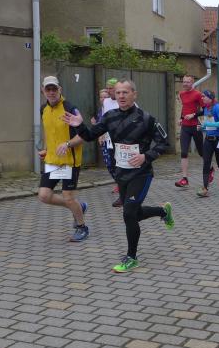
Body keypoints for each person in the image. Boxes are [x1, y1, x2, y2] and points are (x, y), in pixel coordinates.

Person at [62, 78, 174, 273]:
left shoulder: (147, 118)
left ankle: (131, 257)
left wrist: (146, 156)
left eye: (125, 92)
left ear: (134, 95)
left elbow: (164, 143)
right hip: (120, 173)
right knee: (134, 213)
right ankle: (163, 212)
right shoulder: (110, 116)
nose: (121, 96)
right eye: (118, 92)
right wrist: (79, 125)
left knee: (129, 213)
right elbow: (89, 135)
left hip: (141, 173)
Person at [37, 76, 88, 242]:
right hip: (52, 161)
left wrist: (67, 144)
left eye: (54, 89)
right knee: (44, 196)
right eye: (48, 89)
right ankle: (79, 207)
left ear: (60, 89)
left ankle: (82, 227)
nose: (51, 92)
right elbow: (50, 133)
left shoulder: (70, 108)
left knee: (68, 197)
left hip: (69, 162)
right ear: (43, 91)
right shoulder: (43, 109)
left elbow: (84, 135)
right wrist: (47, 149)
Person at [176, 75, 210, 189]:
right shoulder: (181, 94)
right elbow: (185, 107)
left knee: (201, 152)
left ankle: (210, 169)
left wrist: (193, 115)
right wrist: (181, 118)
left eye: (187, 82)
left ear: (192, 83)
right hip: (185, 127)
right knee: (184, 152)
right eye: (184, 82)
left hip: (195, 126)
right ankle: (184, 179)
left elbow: (205, 109)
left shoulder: (198, 94)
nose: (185, 84)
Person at [101, 79, 122, 206]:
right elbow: (104, 120)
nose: (109, 91)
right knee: (112, 164)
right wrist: (101, 134)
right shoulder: (106, 102)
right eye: (107, 88)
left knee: (121, 165)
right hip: (109, 139)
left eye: (111, 88)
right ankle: (121, 186)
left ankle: (124, 192)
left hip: (122, 140)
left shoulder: (123, 101)